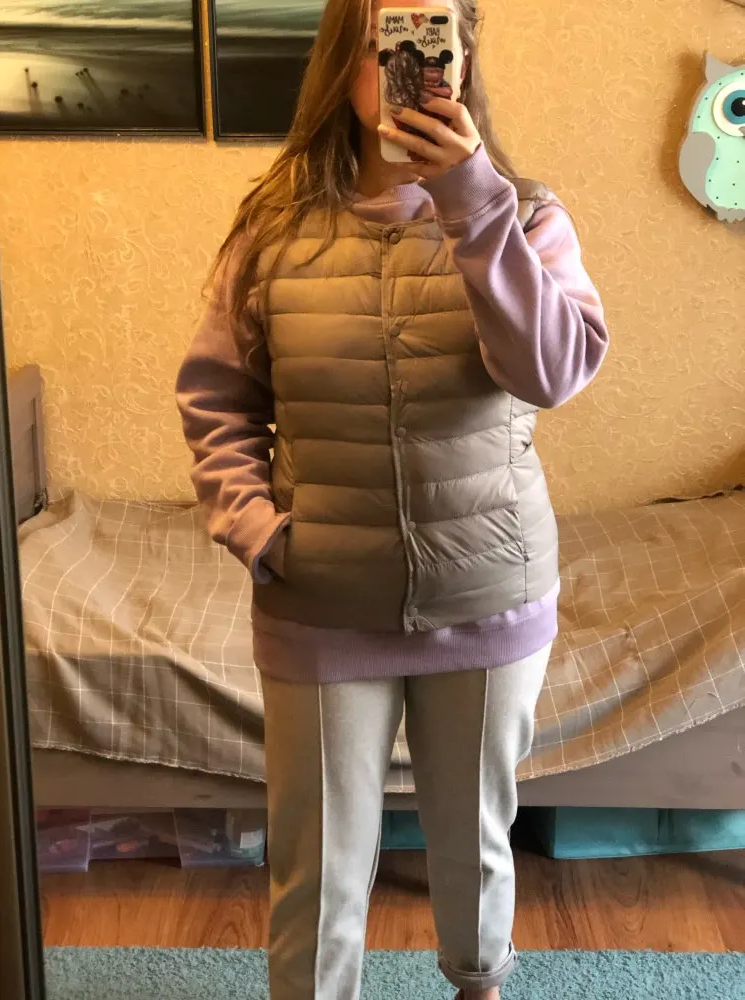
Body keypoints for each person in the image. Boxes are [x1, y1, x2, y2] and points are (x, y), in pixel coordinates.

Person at [175, 1, 609, 998]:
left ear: (465, 57)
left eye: (437, 39)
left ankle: (478, 984)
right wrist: (260, 531)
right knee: (317, 872)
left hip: (487, 595)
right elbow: (216, 398)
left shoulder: (523, 214)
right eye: (392, 42)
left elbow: (554, 370)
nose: (417, 65)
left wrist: (472, 202)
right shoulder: (272, 227)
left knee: (474, 844)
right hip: (321, 602)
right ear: (348, 58)